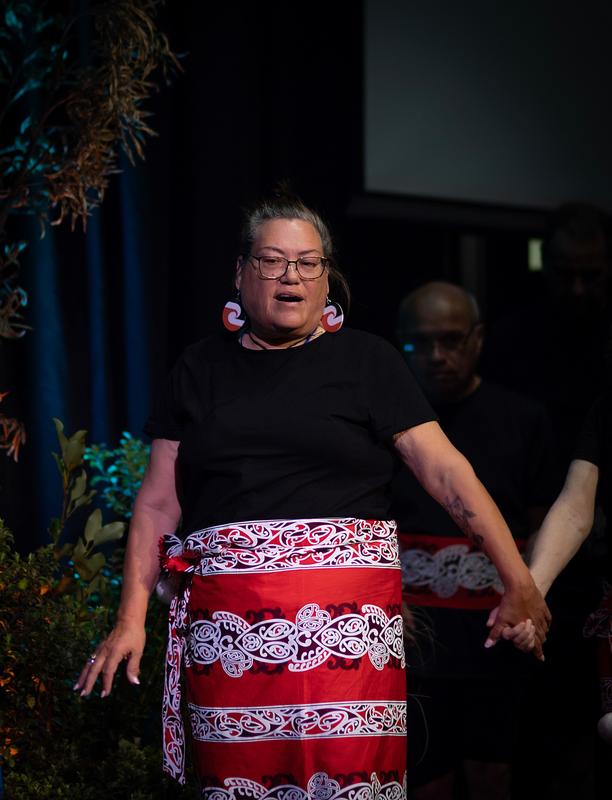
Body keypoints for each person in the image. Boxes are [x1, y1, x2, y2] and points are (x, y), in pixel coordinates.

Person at [73, 192, 549, 796]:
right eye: (272, 261)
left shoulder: (369, 361)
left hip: (348, 643)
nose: (290, 276)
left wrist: (519, 582)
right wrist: (129, 622)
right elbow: (159, 503)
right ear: (241, 273)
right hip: (232, 640)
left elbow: (447, 474)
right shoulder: (197, 369)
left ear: (327, 278)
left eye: (307, 262)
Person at [392, 282, 556, 800]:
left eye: (451, 340)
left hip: (495, 629)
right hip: (415, 634)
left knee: (492, 775)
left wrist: (528, 598)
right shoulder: (386, 425)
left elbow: (546, 523)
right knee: (426, 780)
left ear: (477, 339)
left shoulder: (522, 419)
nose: (436, 355)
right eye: (419, 342)